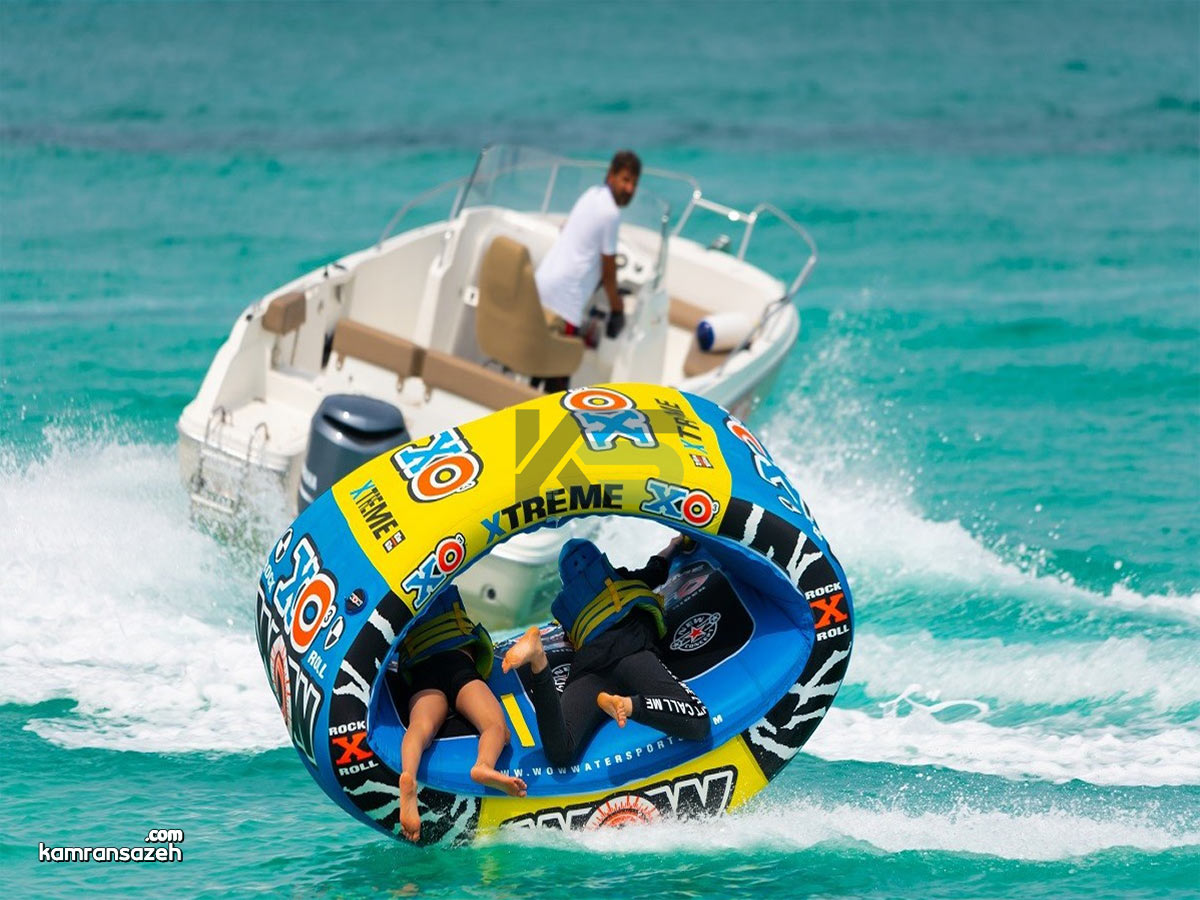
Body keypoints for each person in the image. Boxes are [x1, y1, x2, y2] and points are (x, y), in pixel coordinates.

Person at [501, 536, 711, 767]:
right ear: (602, 564)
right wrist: (675, 545)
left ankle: (539, 662)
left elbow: (571, 641)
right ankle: (630, 705)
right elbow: (658, 569)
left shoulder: (569, 615)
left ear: (567, 585)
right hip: (631, 654)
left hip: (588, 671)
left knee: (561, 753)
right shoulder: (623, 579)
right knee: (697, 721)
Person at [394, 585, 526, 842]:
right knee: (495, 726)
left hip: (424, 672)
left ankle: (408, 775)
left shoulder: (401, 602)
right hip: (458, 666)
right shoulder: (445, 588)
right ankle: (483, 765)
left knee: (420, 727)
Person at [536, 149, 641, 352]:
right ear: (611, 176)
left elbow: (568, 230)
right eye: (625, 180)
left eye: (634, 184)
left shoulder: (591, 194)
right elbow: (608, 270)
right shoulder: (611, 213)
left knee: (540, 363)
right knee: (557, 377)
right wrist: (617, 310)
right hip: (564, 304)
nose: (629, 188)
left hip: (542, 287)